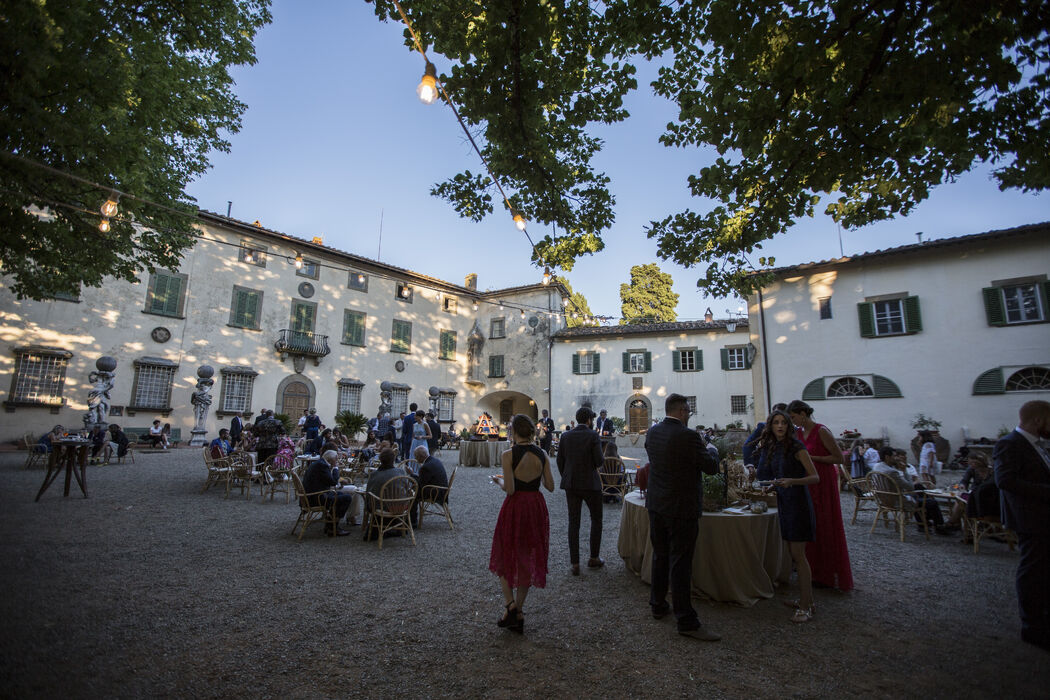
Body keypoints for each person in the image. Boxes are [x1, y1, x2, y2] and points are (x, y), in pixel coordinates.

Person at [644, 393, 720, 641]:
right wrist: (712, 449)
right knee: (681, 562)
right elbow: (710, 468)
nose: (689, 415)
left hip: (657, 504)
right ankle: (685, 619)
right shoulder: (688, 436)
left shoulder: (653, 432)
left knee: (661, 554)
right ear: (680, 411)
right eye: (688, 411)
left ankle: (657, 604)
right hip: (681, 507)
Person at [489, 414, 554, 634]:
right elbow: (551, 486)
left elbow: (510, 489)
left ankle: (510, 605)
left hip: (515, 507)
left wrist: (498, 480)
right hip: (535, 506)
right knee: (527, 554)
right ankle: (519, 610)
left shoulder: (508, 454)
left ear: (514, 432)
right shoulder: (542, 453)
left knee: (505, 551)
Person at [994, 400, 1050, 650]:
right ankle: (1032, 626)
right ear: (1038, 420)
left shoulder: (1041, 445)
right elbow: (1005, 480)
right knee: (1032, 570)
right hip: (1029, 516)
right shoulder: (1009, 443)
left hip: (1043, 515)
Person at [755, 410, 820, 623]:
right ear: (771, 426)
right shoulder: (775, 447)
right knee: (794, 555)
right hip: (785, 501)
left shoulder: (796, 447)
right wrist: (772, 486)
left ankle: (806, 606)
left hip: (798, 503)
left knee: (799, 556)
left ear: (789, 426)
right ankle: (806, 599)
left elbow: (814, 477)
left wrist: (792, 481)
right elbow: (777, 475)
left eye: (783, 423)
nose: (780, 426)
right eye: (776, 423)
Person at [787, 400, 853, 592]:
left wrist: (811, 458)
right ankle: (813, 571)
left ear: (803, 413)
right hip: (807, 480)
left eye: (793, 417)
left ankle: (829, 573)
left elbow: (839, 458)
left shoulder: (821, 430)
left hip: (823, 479)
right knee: (810, 524)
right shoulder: (798, 433)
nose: (793, 421)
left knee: (825, 523)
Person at [556, 407, 605, 575]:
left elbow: (560, 460)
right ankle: (593, 557)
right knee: (596, 519)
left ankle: (575, 563)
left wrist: (567, 476)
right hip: (591, 484)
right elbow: (599, 461)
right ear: (589, 420)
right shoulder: (593, 435)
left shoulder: (566, 436)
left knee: (573, 522)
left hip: (572, 483)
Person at [870, 447, 950, 533]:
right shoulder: (892, 472)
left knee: (919, 490)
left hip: (883, 499)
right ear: (887, 457)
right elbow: (910, 487)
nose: (896, 458)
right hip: (897, 501)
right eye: (894, 456)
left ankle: (923, 522)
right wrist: (904, 471)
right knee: (931, 502)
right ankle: (938, 526)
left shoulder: (877, 466)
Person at [302, 450, 353, 536]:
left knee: (341, 495)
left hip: (312, 495)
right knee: (347, 498)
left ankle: (331, 523)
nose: (336, 461)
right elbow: (333, 481)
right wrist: (336, 468)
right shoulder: (322, 466)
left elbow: (327, 480)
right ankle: (333, 526)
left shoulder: (319, 463)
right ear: (331, 459)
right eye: (336, 459)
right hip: (315, 498)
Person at [364, 448, 408, 540]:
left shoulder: (375, 475)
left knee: (372, 499)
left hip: (382, 508)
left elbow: (369, 493)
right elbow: (407, 488)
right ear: (393, 459)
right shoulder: (401, 472)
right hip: (400, 506)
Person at [742, 402, 787, 476]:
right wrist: (750, 466)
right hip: (766, 470)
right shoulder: (763, 427)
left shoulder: (793, 431)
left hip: (785, 472)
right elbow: (748, 445)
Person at [412, 445, 449, 527]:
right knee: (413, 491)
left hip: (435, 492)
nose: (416, 460)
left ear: (421, 457)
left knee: (412, 495)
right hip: (442, 489)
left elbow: (421, 484)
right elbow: (425, 479)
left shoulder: (425, 467)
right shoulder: (434, 460)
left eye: (416, 457)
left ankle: (412, 521)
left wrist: (412, 476)